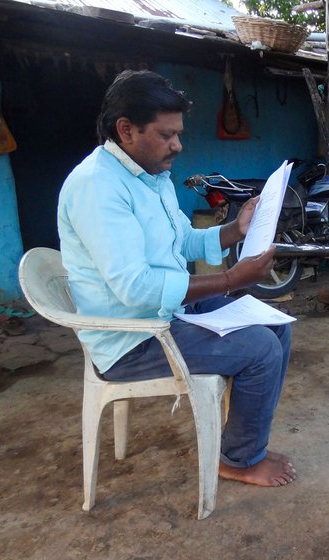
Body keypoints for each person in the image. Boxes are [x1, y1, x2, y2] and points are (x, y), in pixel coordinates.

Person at [57, 70, 295, 486]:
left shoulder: (152, 177)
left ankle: (241, 447)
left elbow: (181, 241)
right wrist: (230, 280)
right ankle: (239, 460)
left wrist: (235, 230)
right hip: (132, 337)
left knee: (275, 329)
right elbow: (135, 289)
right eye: (166, 135)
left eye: (178, 133)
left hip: (167, 312)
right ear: (126, 130)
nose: (177, 145)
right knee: (260, 348)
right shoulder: (97, 186)